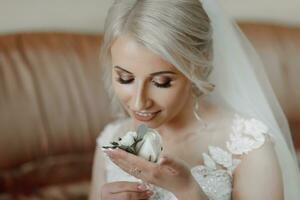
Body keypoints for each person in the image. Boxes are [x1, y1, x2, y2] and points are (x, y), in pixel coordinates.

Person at [89, 0, 300, 199]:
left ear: (198, 66)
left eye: (161, 82)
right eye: (125, 78)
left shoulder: (248, 146)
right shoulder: (109, 140)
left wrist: (188, 191)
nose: (138, 103)